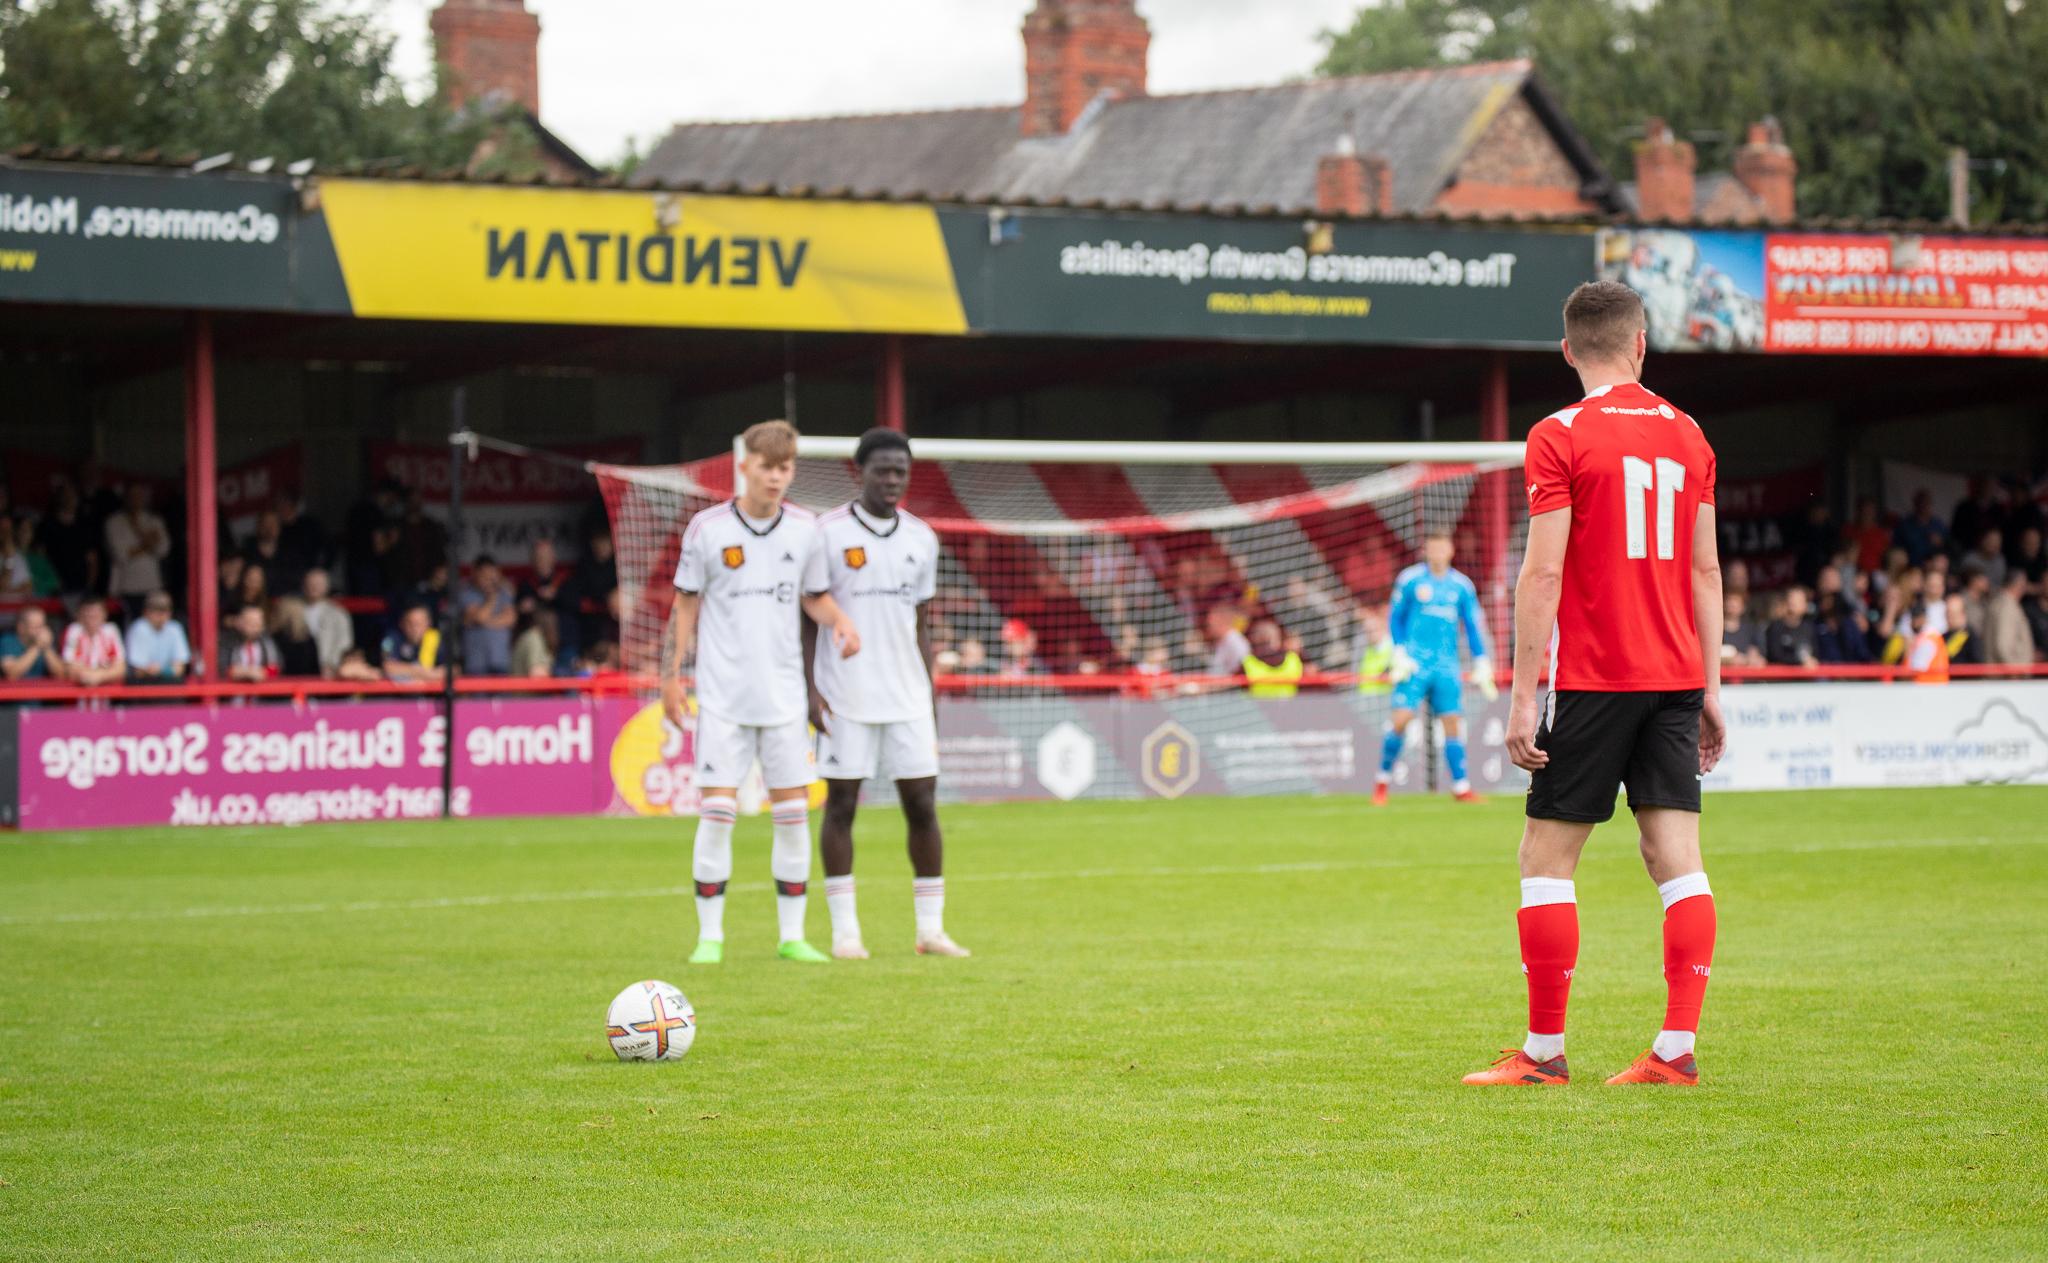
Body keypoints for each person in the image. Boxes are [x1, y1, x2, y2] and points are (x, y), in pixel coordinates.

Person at [1467, 280, 1723, 1089]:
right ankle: (1675, 1050)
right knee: (1677, 858)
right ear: (1642, 344)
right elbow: (1707, 570)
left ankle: (1544, 1053)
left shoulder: (1558, 434)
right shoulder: (1689, 434)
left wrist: (1518, 697)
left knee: (1544, 856)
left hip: (1596, 677)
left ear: (1568, 349)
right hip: (1678, 673)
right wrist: (1712, 686)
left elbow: (1542, 573)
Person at [661, 419, 860, 967]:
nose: (776, 477)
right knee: (718, 812)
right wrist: (670, 675)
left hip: (784, 699)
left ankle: (792, 937)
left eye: (785, 467)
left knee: (793, 815)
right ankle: (710, 938)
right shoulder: (707, 529)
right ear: (744, 465)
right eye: (767, 467)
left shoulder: (805, 530)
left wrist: (839, 618)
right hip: (722, 698)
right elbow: (685, 605)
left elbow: (814, 598)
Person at [805, 427, 968, 961]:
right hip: (845, 693)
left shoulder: (922, 538)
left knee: (922, 803)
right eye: (882, 469)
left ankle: (931, 930)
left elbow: (920, 623)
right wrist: (809, 687)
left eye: (901, 469)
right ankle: (845, 933)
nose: (892, 478)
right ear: (860, 472)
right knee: (842, 805)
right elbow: (808, 615)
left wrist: (930, 693)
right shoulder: (826, 533)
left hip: (907, 695)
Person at [1372, 529, 1494, 806]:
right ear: (1426, 551)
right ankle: (1381, 782)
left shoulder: (1462, 586)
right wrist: (1400, 651)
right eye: (1432, 548)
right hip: (1415, 663)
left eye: (1442, 547)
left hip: (1446, 665)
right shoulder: (1411, 580)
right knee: (1401, 720)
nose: (1437, 553)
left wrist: (1481, 659)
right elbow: (1395, 619)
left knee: (1452, 724)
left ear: (1450, 550)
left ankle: (1461, 787)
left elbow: (1472, 626)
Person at [105, 483, 171, 606]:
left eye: (139, 495)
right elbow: (121, 555)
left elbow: (163, 551)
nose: (136, 499)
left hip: (152, 584)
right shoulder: (114, 522)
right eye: (132, 496)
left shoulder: (154, 520)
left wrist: (138, 545)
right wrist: (149, 543)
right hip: (125, 586)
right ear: (125, 498)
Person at [458, 555, 517, 676]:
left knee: (503, 694)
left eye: (492, 576)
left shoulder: (504, 593)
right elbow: (480, 617)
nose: (490, 580)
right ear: (475, 574)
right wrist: (492, 598)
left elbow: (510, 619)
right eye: (485, 576)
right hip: (476, 662)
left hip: (500, 660)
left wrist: (485, 622)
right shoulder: (467, 593)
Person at [123, 590, 191, 683]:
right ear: (146, 612)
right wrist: (161, 670)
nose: (161, 617)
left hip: (168, 683)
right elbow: (137, 671)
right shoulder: (139, 628)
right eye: (157, 612)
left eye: (164, 612)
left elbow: (180, 669)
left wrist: (161, 670)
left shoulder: (175, 628)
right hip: (142, 684)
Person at [300, 569, 355, 678]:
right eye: (311, 583)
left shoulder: (339, 614)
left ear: (327, 587)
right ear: (304, 585)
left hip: (329, 670)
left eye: (318, 584)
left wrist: (332, 664)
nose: (314, 587)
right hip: (301, 670)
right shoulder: (294, 610)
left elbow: (345, 644)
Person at [61, 597, 127, 686]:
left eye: (96, 615)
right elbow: (69, 668)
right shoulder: (73, 630)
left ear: (105, 615)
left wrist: (99, 676)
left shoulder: (111, 630)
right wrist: (104, 671)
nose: (91, 619)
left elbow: (121, 669)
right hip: (77, 693)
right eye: (87, 615)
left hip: (105, 694)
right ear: (79, 616)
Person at [1983, 569, 2036, 666]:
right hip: (2007, 676)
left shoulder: (1998, 602)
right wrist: (2014, 671)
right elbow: (2003, 645)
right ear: (2019, 584)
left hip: (2000, 674)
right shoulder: (2007, 607)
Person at [380, 604, 443, 683]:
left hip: (430, 692)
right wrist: (423, 672)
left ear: (429, 623)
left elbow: (454, 669)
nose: (415, 628)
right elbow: (388, 667)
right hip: (399, 692)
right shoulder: (392, 638)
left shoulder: (437, 638)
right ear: (401, 623)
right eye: (410, 623)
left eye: (419, 623)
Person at [1241, 617, 1303, 697]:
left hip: (1257, 708)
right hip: (1287, 707)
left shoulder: (1247, 662)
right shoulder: (1294, 659)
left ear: (1254, 639)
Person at [219, 603, 281, 682]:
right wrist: (244, 673)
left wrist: (263, 673)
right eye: (250, 622)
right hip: (232, 692)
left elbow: (277, 668)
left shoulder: (268, 644)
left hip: (260, 692)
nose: (254, 627)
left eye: (258, 623)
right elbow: (219, 668)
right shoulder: (225, 642)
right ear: (238, 622)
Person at [1, 606, 63, 681]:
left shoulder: (46, 642)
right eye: (35, 627)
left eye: (42, 626)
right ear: (21, 627)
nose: (40, 631)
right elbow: (12, 674)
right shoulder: (7, 641)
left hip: (43, 689)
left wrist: (47, 648)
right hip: (15, 690)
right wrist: (36, 647)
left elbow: (60, 674)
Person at [1762, 587, 1818, 668]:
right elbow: (1775, 656)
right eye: (1791, 598)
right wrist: (1800, 661)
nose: (1793, 602)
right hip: (1782, 677)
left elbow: (1815, 655)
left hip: (1806, 677)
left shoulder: (1809, 628)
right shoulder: (1776, 627)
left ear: (1805, 605)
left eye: (1798, 600)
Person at [1891, 490, 1947, 567]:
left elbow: (1948, 546)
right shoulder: (1905, 525)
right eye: (1921, 503)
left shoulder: (1938, 524)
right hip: (1911, 567)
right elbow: (1897, 548)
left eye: (1926, 503)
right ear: (1915, 504)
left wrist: (1940, 542)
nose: (1923, 506)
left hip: (1933, 567)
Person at [269, 596, 321, 677]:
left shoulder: (309, 640)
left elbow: (315, 669)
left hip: (306, 682)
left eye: (296, 612)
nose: (293, 616)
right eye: (289, 612)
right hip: (281, 683)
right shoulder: (275, 639)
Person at [1353, 601, 1394, 695]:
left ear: (1383, 625)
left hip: (1385, 701)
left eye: (1372, 630)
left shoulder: (1395, 649)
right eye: (1367, 631)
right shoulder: (1367, 650)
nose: (1369, 633)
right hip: (1365, 700)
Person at [1721, 591, 1764, 666]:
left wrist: (1752, 658)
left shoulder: (1751, 630)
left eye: (1735, 604)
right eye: (1729, 603)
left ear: (1743, 607)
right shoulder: (1716, 631)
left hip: (1746, 674)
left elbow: (1757, 655)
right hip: (1722, 674)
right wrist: (1730, 659)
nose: (1732, 607)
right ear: (1724, 605)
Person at [0, 517, 34, 599]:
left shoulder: (17, 556)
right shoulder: (11, 556)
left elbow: (28, 588)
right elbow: (2, 588)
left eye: (8, 530)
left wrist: (10, 557)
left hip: (16, 607)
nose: (6, 534)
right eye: (2, 530)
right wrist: (9, 559)